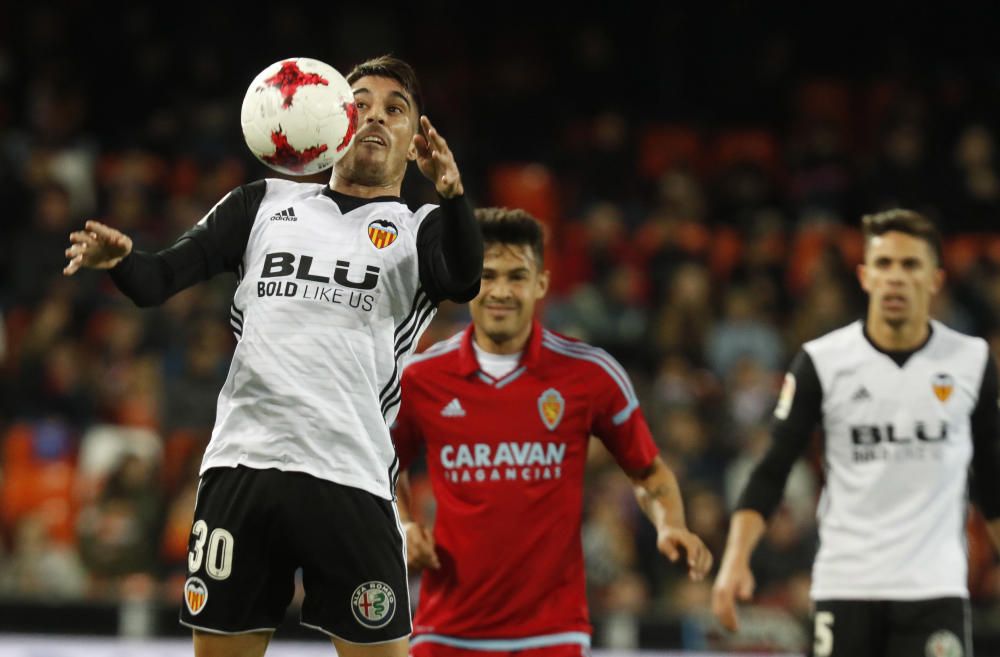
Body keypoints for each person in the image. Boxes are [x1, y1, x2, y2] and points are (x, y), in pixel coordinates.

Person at [62, 55, 483, 657]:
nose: (373, 118)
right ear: (332, 116)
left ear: (415, 138)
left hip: (352, 477)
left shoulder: (422, 228)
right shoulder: (261, 204)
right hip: (242, 466)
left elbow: (465, 278)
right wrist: (122, 261)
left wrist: (454, 193)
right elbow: (155, 281)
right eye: (359, 103)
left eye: (395, 110)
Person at [391, 207, 713, 657]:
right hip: (446, 628)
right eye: (487, 275)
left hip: (552, 632)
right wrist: (404, 525)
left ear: (541, 283)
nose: (501, 291)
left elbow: (648, 473)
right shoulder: (421, 377)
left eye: (516, 276)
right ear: (467, 281)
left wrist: (670, 523)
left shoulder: (591, 374)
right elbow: (382, 468)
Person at [711, 209, 1000, 657]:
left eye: (910, 265)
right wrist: (734, 559)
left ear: (935, 278)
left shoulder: (971, 361)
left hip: (933, 589)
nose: (896, 277)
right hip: (847, 586)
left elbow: (993, 479)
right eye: (884, 264)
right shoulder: (823, 362)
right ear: (865, 276)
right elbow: (772, 467)